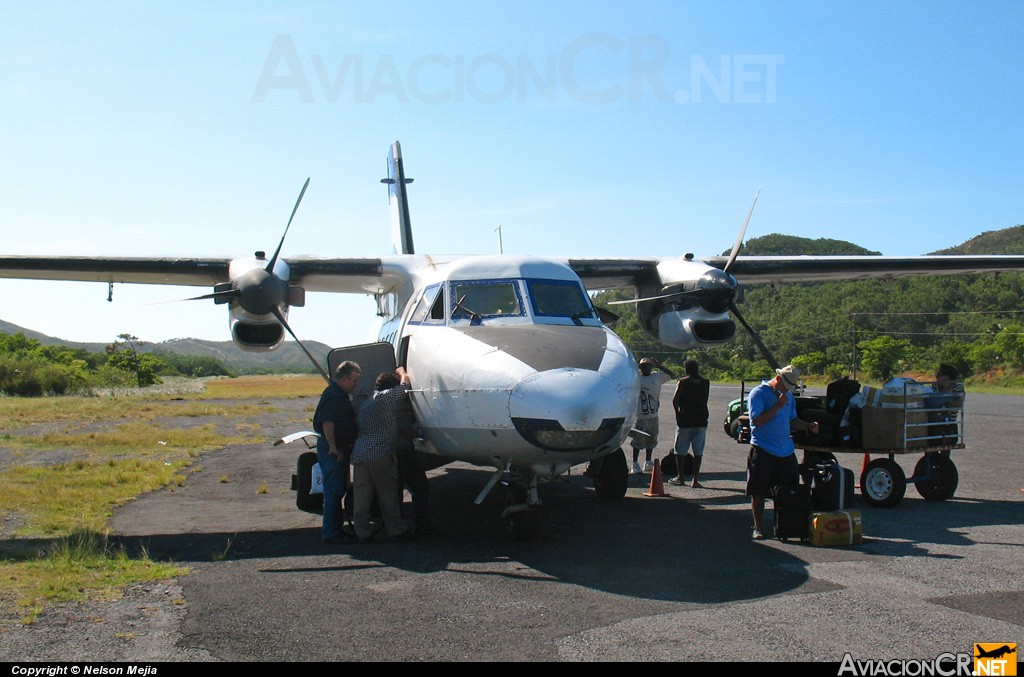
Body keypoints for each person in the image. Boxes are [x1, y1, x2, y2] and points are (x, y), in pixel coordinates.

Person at [746, 365, 819, 540]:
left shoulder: (788, 398)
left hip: (785, 450)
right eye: (786, 386)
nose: (787, 390)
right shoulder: (758, 393)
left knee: (790, 491)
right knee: (759, 491)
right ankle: (758, 527)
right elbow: (756, 421)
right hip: (763, 448)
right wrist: (778, 405)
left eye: (790, 388)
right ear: (778, 379)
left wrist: (808, 425)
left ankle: (786, 525)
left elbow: (792, 419)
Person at [351, 367, 414, 543]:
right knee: (388, 493)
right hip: (379, 453)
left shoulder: (366, 402)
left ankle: (362, 531)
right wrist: (401, 372)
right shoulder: (386, 397)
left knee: (362, 495)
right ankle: (396, 529)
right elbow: (404, 386)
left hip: (360, 452)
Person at [312, 361, 361, 545]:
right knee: (333, 490)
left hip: (338, 448)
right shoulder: (334, 395)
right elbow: (327, 422)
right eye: (354, 380)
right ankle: (331, 533)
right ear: (345, 378)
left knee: (337, 489)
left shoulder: (338, 394)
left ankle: (336, 529)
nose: (356, 384)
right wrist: (333, 447)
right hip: (333, 449)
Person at [631, 357, 676, 474]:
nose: (646, 368)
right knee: (638, 440)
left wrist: (660, 366)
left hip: (653, 414)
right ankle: (634, 463)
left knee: (651, 438)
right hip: (641, 415)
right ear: (640, 368)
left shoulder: (656, 377)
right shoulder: (637, 379)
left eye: (649, 366)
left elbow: (673, 375)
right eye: (643, 366)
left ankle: (648, 461)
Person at [670, 359, 710, 487]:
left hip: (685, 419)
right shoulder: (705, 382)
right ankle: (695, 479)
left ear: (686, 369)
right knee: (698, 451)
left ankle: (680, 477)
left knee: (680, 450)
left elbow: (675, 400)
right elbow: (705, 399)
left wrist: (677, 413)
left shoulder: (682, 382)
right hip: (701, 419)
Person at [396, 394, 432, 535]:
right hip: (403, 451)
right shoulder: (393, 405)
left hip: (394, 452)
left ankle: (397, 526)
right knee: (419, 486)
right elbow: (403, 428)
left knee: (394, 490)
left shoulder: (372, 403)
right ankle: (420, 525)